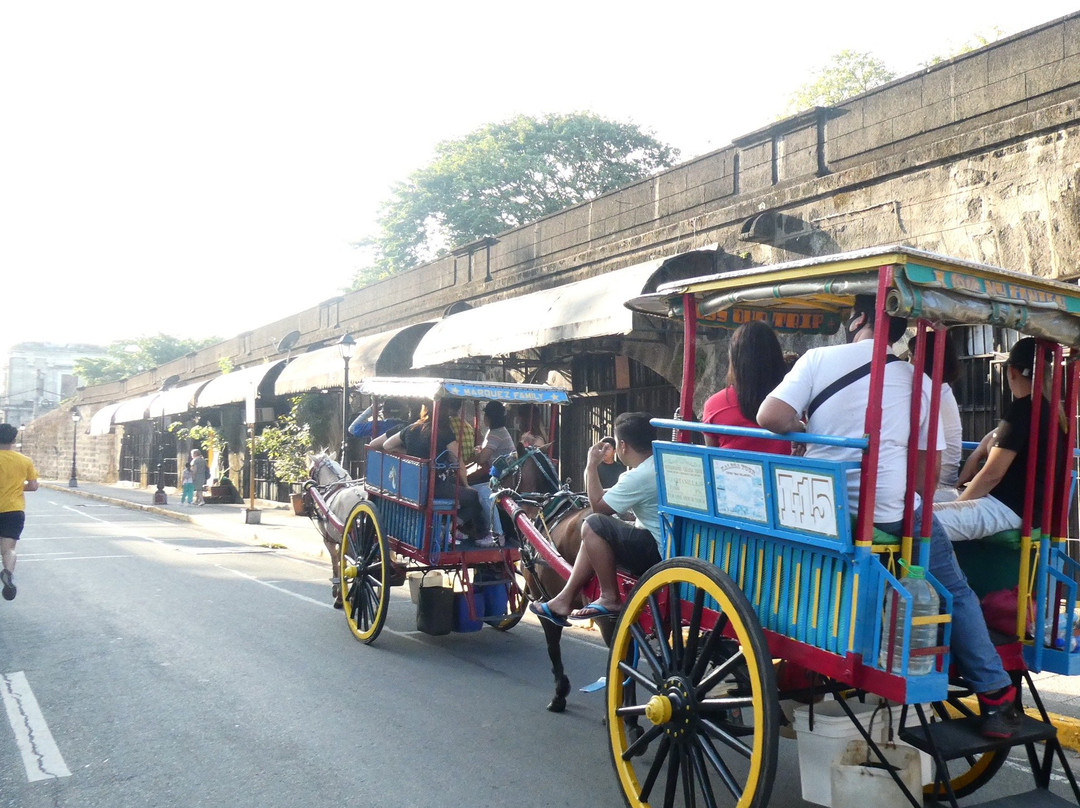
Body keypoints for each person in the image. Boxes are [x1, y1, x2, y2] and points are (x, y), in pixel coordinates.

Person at [757, 294, 1022, 738]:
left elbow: (771, 414)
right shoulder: (920, 383)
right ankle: (996, 697)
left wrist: (805, 431)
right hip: (892, 512)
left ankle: (810, 649)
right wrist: (903, 507)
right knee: (955, 590)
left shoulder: (818, 359)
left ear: (858, 318)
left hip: (825, 510)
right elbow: (928, 471)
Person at [530, 412, 660, 624]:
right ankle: (564, 598)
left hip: (657, 550)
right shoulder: (661, 464)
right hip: (670, 542)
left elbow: (598, 508)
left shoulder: (637, 477)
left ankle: (609, 597)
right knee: (597, 532)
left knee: (592, 523)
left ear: (623, 446)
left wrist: (591, 466)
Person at [934, 337, 1065, 542]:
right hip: (1017, 507)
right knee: (918, 504)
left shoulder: (1023, 409)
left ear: (1011, 371)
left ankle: (949, 576)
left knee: (920, 521)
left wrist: (959, 503)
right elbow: (999, 435)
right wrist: (976, 455)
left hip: (1005, 507)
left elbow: (991, 475)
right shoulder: (1051, 412)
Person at [381, 404, 485, 543]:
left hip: (413, 485)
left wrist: (412, 455)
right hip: (435, 486)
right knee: (475, 497)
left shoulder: (411, 428)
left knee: (456, 487)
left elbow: (387, 445)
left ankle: (450, 528)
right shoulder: (444, 432)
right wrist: (466, 485)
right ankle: (448, 527)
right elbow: (458, 462)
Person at [702, 320, 790, 454]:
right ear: (777, 355)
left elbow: (711, 455)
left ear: (734, 359)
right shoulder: (794, 401)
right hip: (787, 474)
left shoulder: (715, 405)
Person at [908, 329, 963, 500]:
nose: (908, 362)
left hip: (938, 488)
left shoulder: (930, 393)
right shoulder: (941, 390)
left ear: (923, 359)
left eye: (911, 356)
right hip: (940, 482)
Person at [467, 401, 518, 542]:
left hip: (504, 479)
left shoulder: (497, 433)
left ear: (489, 418)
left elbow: (482, 458)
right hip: (496, 475)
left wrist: (477, 453)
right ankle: (480, 528)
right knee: (470, 488)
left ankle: (497, 534)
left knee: (483, 493)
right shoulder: (494, 432)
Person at [0, 423, 39, 601]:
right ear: (14, 440)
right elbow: (32, 486)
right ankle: (8, 572)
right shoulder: (25, 461)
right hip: (14, 510)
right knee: (9, 549)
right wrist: (16, 486)